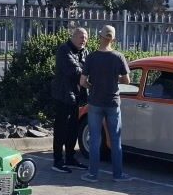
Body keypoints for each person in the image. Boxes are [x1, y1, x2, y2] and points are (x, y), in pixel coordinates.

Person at [79, 25, 132, 182]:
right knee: (116, 139)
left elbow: (82, 81)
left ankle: (92, 174)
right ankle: (118, 174)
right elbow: (127, 80)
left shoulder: (92, 57)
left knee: (95, 140)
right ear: (113, 40)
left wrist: (92, 87)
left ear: (100, 37)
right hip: (113, 102)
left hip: (95, 102)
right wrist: (115, 80)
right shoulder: (118, 57)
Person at [51, 27, 89, 173]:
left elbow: (87, 68)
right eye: (80, 36)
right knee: (61, 128)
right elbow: (74, 70)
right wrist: (87, 72)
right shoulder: (64, 49)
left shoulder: (85, 51)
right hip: (63, 95)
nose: (83, 39)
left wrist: (87, 72)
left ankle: (70, 158)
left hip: (77, 96)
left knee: (73, 128)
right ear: (73, 37)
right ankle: (57, 160)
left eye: (85, 37)